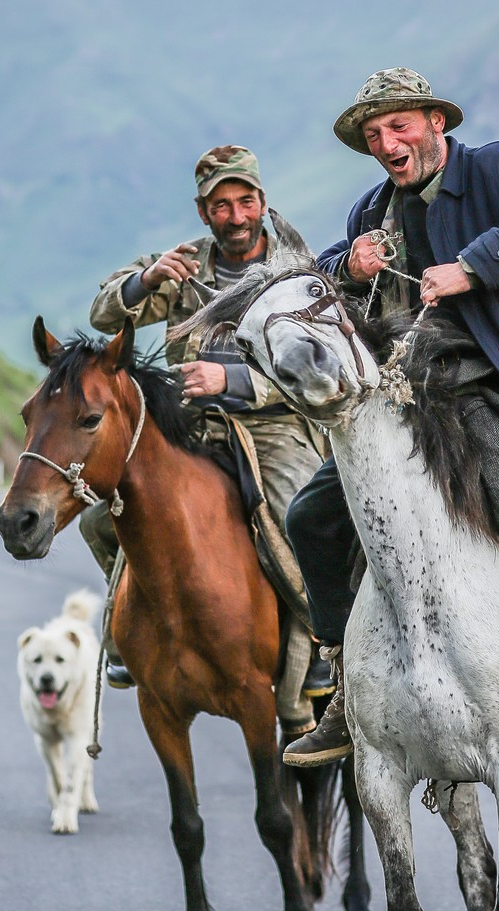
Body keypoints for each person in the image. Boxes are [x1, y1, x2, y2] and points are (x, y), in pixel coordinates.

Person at [283, 67, 499, 777]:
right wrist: (348, 266)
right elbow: (323, 280)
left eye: (399, 125)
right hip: (413, 408)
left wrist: (471, 266)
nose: (387, 143)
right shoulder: (371, 211)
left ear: (435, 123)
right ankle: (344, 680)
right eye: (374, 134)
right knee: (310, 519)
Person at [87, 146, 327, 704]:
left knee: (300, 516)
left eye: (246, 201)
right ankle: (128, 631)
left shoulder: (296, 271)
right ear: (203, 212)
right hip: (188, 427)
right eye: (221, 205)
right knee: (102, 516)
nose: (236, 216)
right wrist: (145, 280)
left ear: (262, 202)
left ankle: (323, 642)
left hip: (274, 426)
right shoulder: (184, 266)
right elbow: (103, 315)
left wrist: (232, 379)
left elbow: (318, 365)